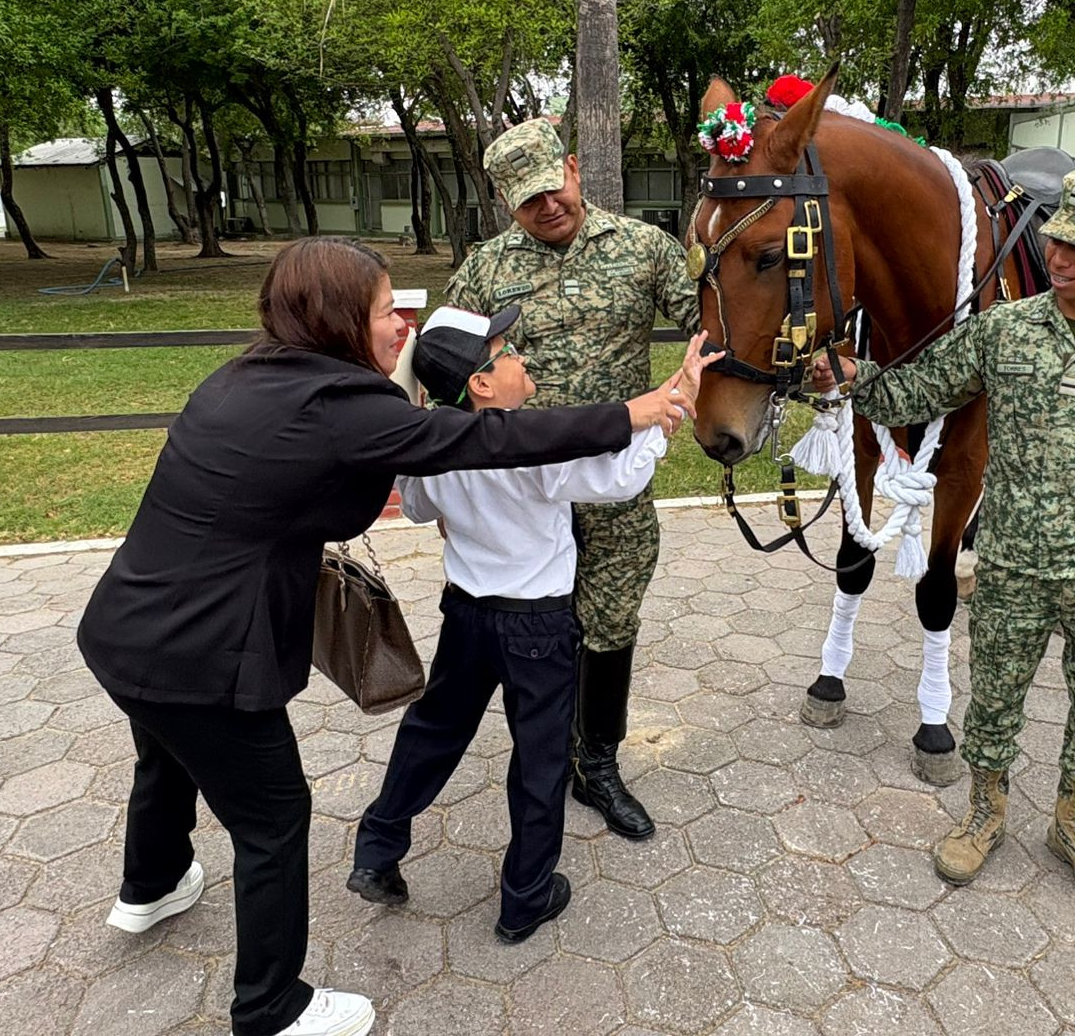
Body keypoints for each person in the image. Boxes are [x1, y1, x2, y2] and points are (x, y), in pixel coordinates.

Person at [77, 237, 688, 1036]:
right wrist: (635, 415)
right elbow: (490, 440)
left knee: (166, 755)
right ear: (336, 319)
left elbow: (400, 480)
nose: (402, 323)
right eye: (382, 311)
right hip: (210, 652)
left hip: (128, 628)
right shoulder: (341, 407)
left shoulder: (243, 378)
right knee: (273, 819)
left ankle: (152, 884)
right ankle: (271, 1007)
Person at [811, 167, 1075, 910]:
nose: (1060, 258)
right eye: (1057, 241)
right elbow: (918, 391)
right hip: (1012, 563)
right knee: (993, 702)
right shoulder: (1005, 329)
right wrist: (854, 375)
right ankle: (983, 814)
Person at [345, 307, 720, 941]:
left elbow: (416, 508)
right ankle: (526, 895)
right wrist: (671, 410)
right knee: (541, 760)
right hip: (536, 627)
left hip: (466, 613)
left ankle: (377, 850)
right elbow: (618, 479)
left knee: (433, 731)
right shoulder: (536, 447)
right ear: (482, 384)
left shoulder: (433, 443)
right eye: (508, 351)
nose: (522, 357)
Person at [445, 118, 701, 841]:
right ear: (507, 202)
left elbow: (708, 322)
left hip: (614, 485)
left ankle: (599, 763)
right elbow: (447, 366)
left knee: (611, 624)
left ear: (573, 169)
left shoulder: (644, 248)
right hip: (525, 499)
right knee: (541, 630)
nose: (547, 206)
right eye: (528, 201)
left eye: (552, 188)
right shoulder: (485, 270)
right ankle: (546, 756)